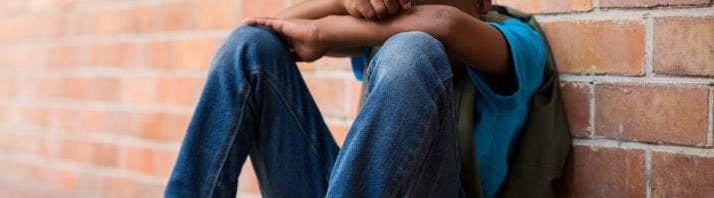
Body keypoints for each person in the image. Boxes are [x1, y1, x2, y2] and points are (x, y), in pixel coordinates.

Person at [165, 0, 547, 196]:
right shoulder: (389, 34)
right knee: (250, 46)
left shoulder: (517, 42)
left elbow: (444, 25)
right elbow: (277, 24)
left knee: (413, 50)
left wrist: (325, 33)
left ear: (482, 1)